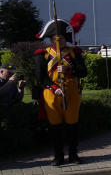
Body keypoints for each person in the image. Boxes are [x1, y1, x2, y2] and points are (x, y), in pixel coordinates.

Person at [33, 13, 88, 166]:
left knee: (72, 126)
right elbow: (40, 76)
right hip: (51, 93)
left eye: (61, 38)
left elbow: (83, 72)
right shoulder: (43, 55)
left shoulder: (74, 53)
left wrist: (70, 70)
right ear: (50, 40)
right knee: (55, 127)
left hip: (71, 91)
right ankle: (58, 156)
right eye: (54, 39)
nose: (58, 41)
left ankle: (73, 154)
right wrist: (53, 87)